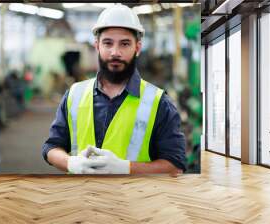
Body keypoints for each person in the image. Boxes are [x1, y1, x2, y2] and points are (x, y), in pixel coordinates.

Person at [42, 4, 186, 175]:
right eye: (108, 43)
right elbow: (51, 147)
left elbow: (175, 165)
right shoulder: (75, 94)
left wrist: (127, 168)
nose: (115, 52)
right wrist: (70, 163)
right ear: (97, 46)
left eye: (125, 44)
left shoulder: (158, 102)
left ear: (137, 48)